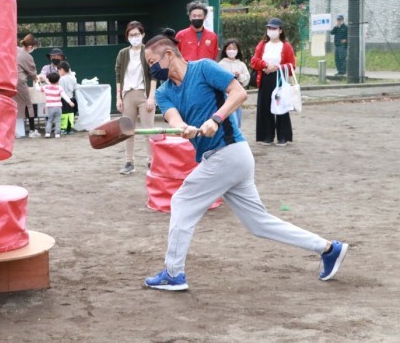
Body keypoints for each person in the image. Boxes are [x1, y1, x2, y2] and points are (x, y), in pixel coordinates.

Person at [141, 32, 348, 292]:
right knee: (257, 223)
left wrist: (215, 119)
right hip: (226, 160)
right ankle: (329, 249)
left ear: (168, 55)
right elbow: (173, 119)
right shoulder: (164, 93)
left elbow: (238, 94)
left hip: (228, 153)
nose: (151, 69)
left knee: (181, 201)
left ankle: (174, 273)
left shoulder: (204, 68)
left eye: (152, 62)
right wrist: (185, 128)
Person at [115, 20, 156, 174]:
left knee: (149, 131)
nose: (135, 37)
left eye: (137, 34)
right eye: (132, 35)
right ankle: (129, 162)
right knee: (127, 130)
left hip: (144, 94)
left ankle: (152, 162)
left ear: (143, 34)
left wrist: (151, 97)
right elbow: (118, 75)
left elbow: (153, 75)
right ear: (127, 37)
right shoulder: (123, 53)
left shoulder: (148, 51)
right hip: (128, 94)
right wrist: (118, 97)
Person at [250, 18, 296, 146]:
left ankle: (283, 136)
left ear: (280, 30)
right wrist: (265, 65)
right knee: (265, 106)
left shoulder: (286, 46)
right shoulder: (262, 44)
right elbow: (254, 61)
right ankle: (267, 136)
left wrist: (277, 67)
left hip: (279, 78)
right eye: (269, 28)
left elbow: (292, 65)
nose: (272, 31)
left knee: (281, 105)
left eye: (274, 28)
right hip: (264, 77)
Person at [217, 38, 250, 127]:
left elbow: (246, 79)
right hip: (225, 97)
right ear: (225, 50)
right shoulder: (221, 64)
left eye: (234, 48)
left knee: (237, 118)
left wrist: (239, 76)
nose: (232, 50)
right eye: (229, 48)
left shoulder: (241, 64)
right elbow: (218, 80)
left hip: (238, 97)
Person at [13, 34, 41, 138]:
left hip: (10, 80)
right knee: (28, 104)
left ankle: (15, 130)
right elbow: (32, 73)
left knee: (13, 104)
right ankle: (32, 130)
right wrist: (38, 78)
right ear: (30, 46)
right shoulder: (27, 56)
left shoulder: (16, 50)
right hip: (20, 82)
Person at [41, 71, 74, 138]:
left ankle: (47, 133)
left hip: (50, 107)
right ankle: (57, 134)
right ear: (58, 80)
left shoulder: (45, 87)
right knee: (58, 120)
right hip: (58, 107)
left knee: (50, 120)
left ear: (49, 80)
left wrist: (37, 82)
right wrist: (70, 102)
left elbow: (38, 89)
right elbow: (64, 95)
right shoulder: (59, 88)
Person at [58, 61, 78, 134]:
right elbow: (76, 87)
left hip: (64, 99)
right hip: (71, 98)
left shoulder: (61, 79)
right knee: (71, 114)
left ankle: (63, 129)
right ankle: (70, 129)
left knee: (64, 114)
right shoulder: (72, 78)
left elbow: (60, 90)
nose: (59, 72)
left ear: (62, 70)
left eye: (59, 70)